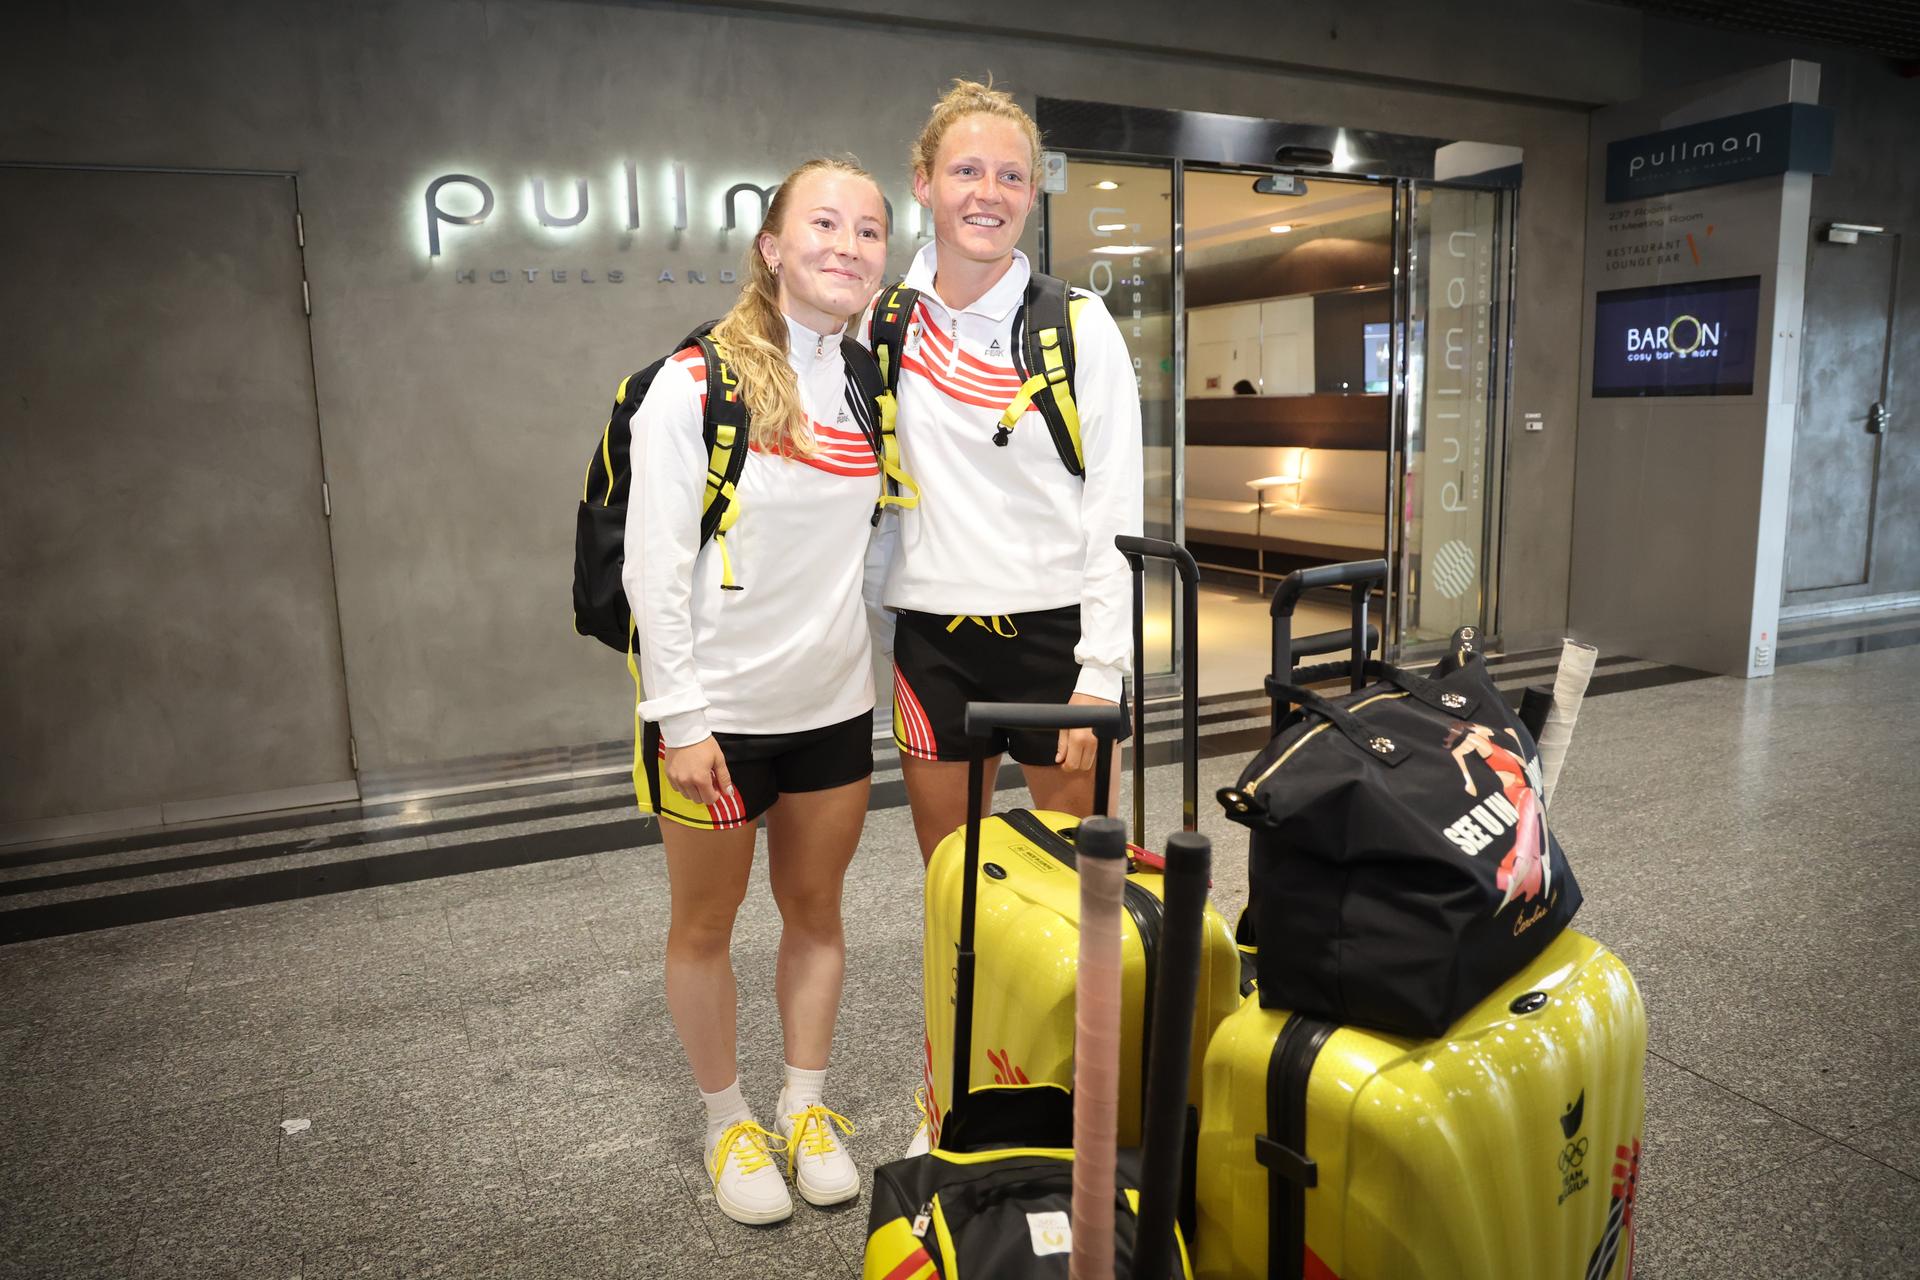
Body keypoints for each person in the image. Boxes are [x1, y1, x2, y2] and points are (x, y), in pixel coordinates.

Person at [623, 156, 894, 1226]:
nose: (848, 244)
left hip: (833, 707)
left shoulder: (871, 380)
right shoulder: (693, 384)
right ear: (772, 246)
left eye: (869, 230)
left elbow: (871, 546)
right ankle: (726, 1113)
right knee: (705, 922)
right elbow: (653, 568)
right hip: (714, 724)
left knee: (816, 909)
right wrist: (680, 718)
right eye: (823, 223)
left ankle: (805, 1103)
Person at [871, 79, 1144, 863]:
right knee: (955, 884)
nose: (988, 193)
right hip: (932, 643)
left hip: (1057, 645)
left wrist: (1102, 671)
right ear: (924, 183)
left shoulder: (1078, 326)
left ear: (1032, 193)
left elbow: (1116, 511)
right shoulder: (883, 321)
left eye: (1011, 176)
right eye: (966, 171)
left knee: (1087, 885)